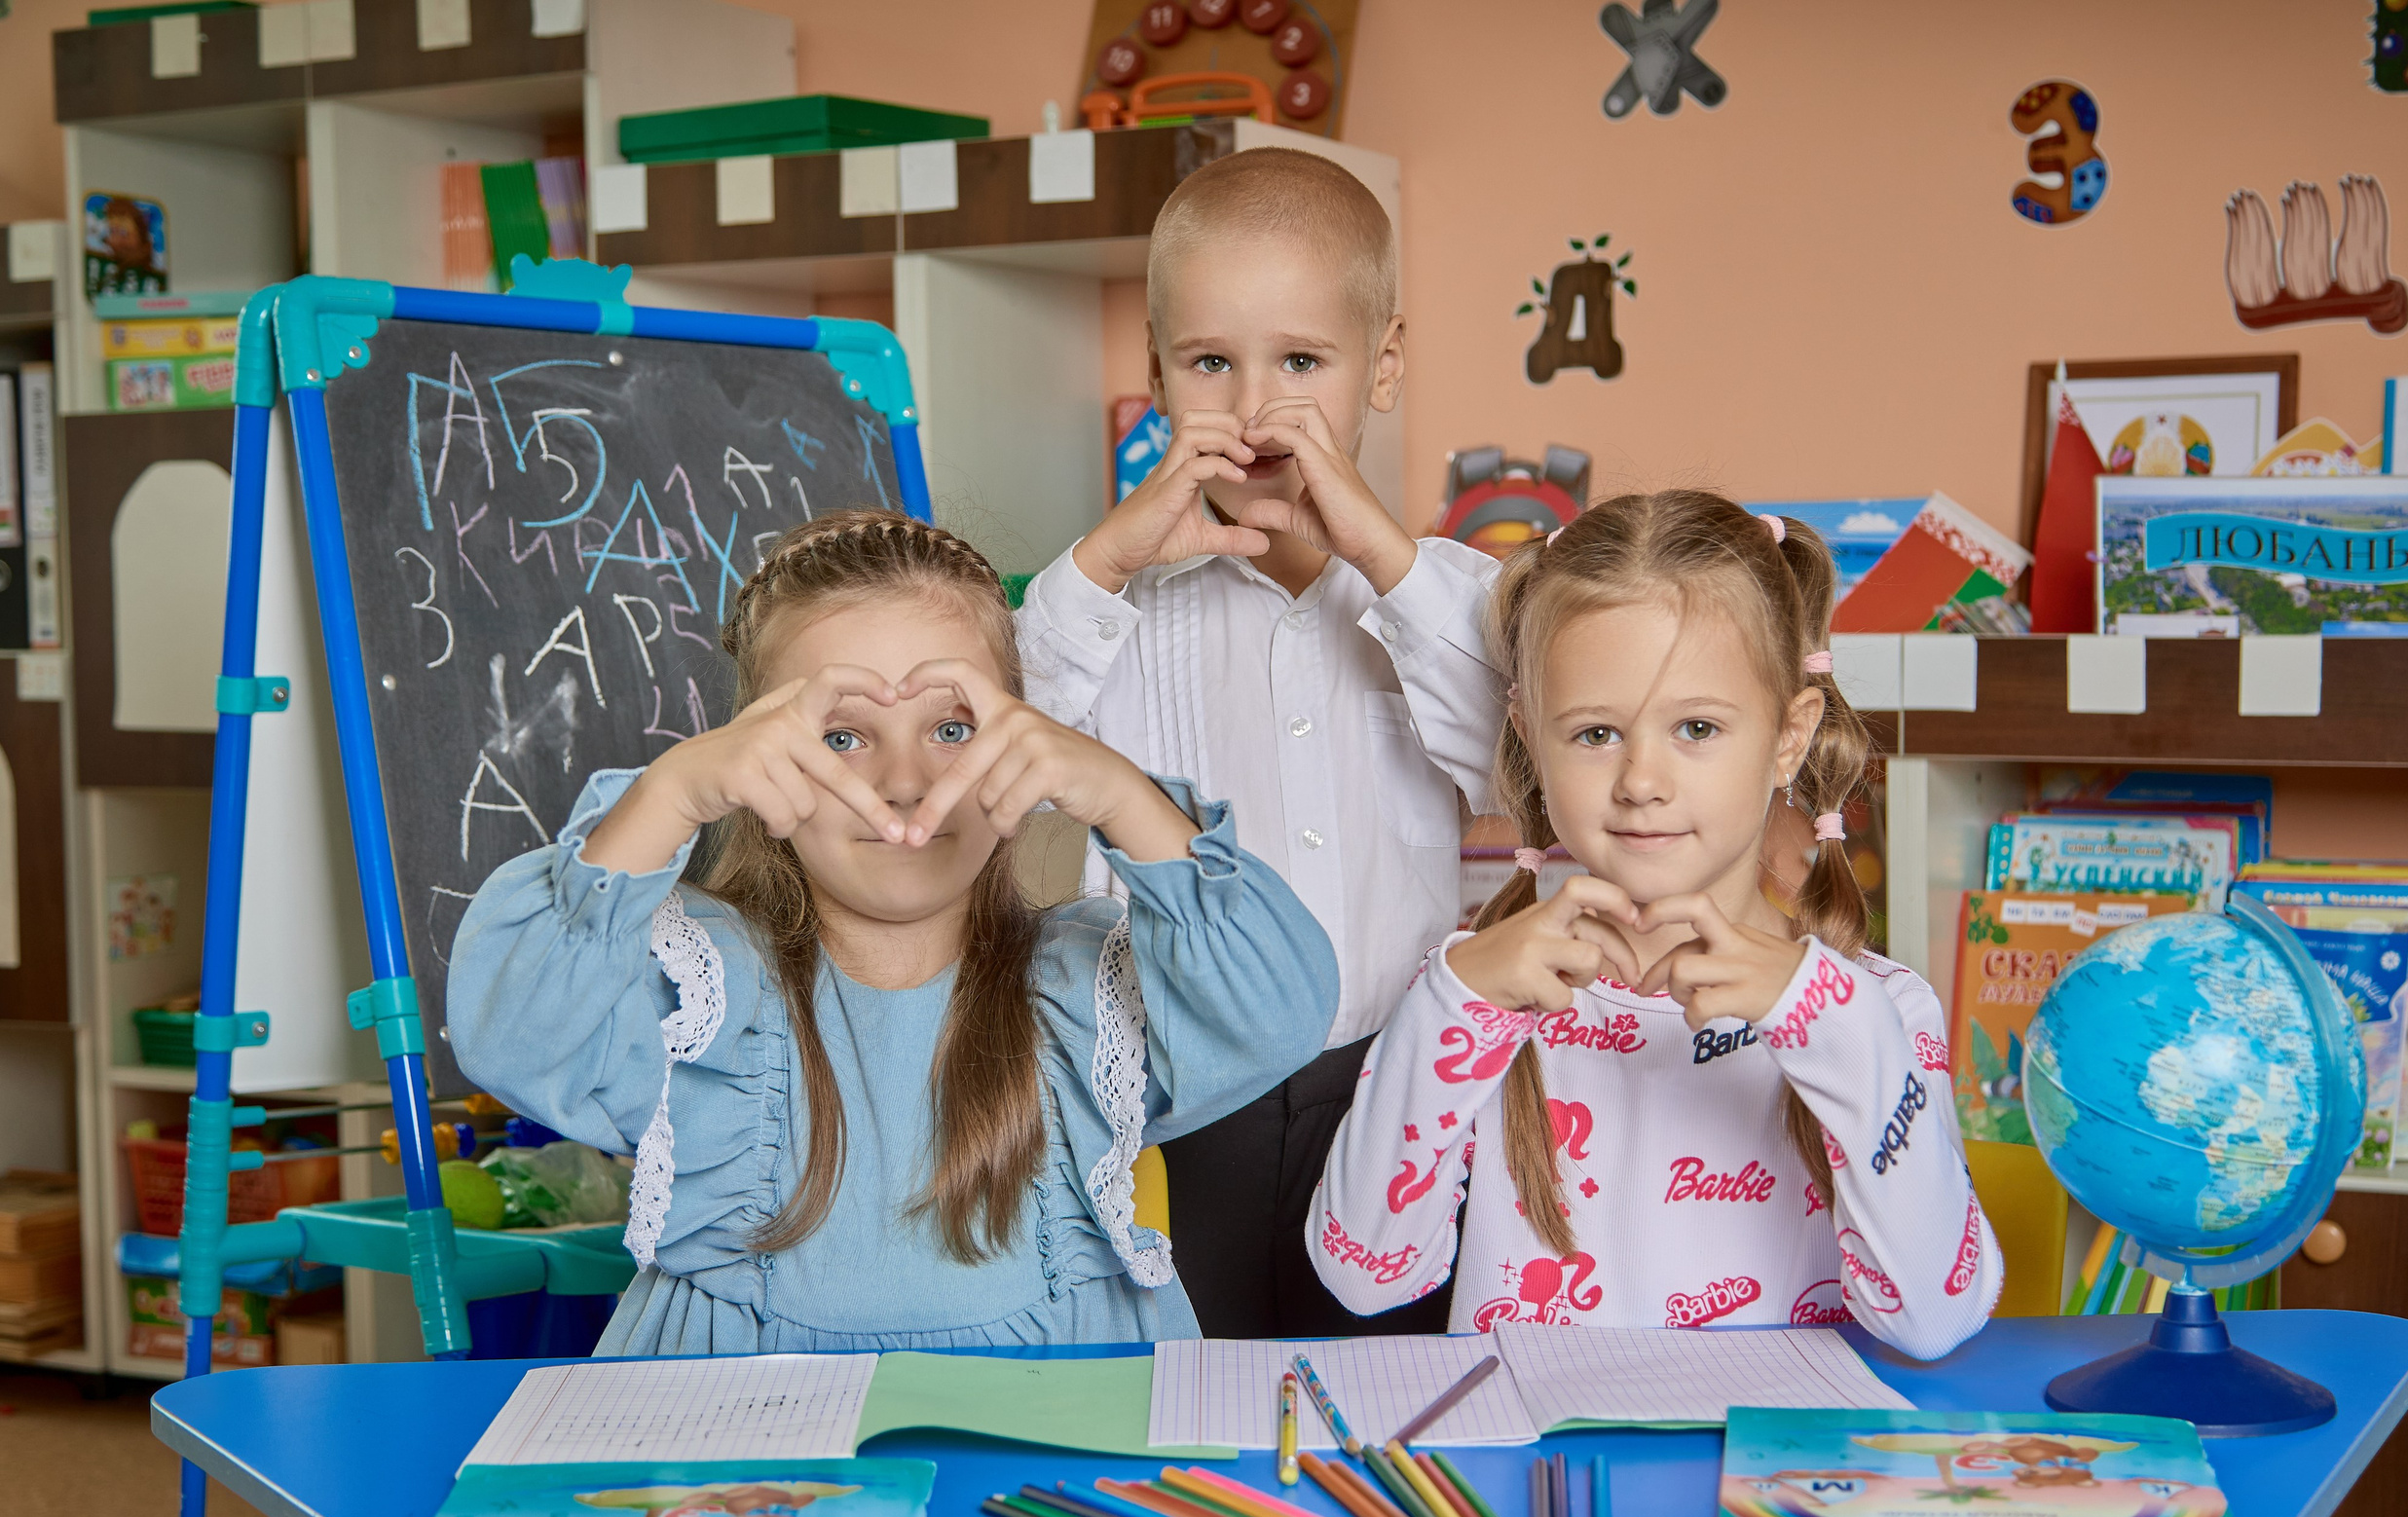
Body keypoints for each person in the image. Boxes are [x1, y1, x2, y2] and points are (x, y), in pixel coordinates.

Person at [446, 509, 1337, 1353]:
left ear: (1025, 746)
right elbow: (512, 1032)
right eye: (843, 737)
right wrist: (667, 793)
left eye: (953, 727)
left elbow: (1281, 1010)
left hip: (1049, 1427)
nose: (905, 780)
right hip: (743, 1445)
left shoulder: (1084, 991)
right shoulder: (697, 988)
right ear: (755, 765)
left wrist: (1120, 794)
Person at [1305, 491, 2000, 1359]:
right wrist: (1454, 1001)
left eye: (1697, 728)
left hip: (1763, 1484)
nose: (1641, 779)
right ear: (1529, 736)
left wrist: (1828, 1019)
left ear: (1789, 737)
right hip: (1532, 1480)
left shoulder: (1879, 1009)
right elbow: (1366, 1273)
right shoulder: (1481, 987)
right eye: (1596, 732)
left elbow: (1937, 1318)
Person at [1015, 145, 1502, 1339]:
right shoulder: (1114, 605)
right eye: (1210, 363)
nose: (1255, 409)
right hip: (1177, 1086)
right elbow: (1002, 747)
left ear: (1382, 367)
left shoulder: (1448, 595)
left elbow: (1520, 766)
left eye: (1301, 361)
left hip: (1397, 1076)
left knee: (1384, 1374)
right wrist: (1106, 563)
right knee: (1189, 1384)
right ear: (1157, 375)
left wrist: (1381, 557)